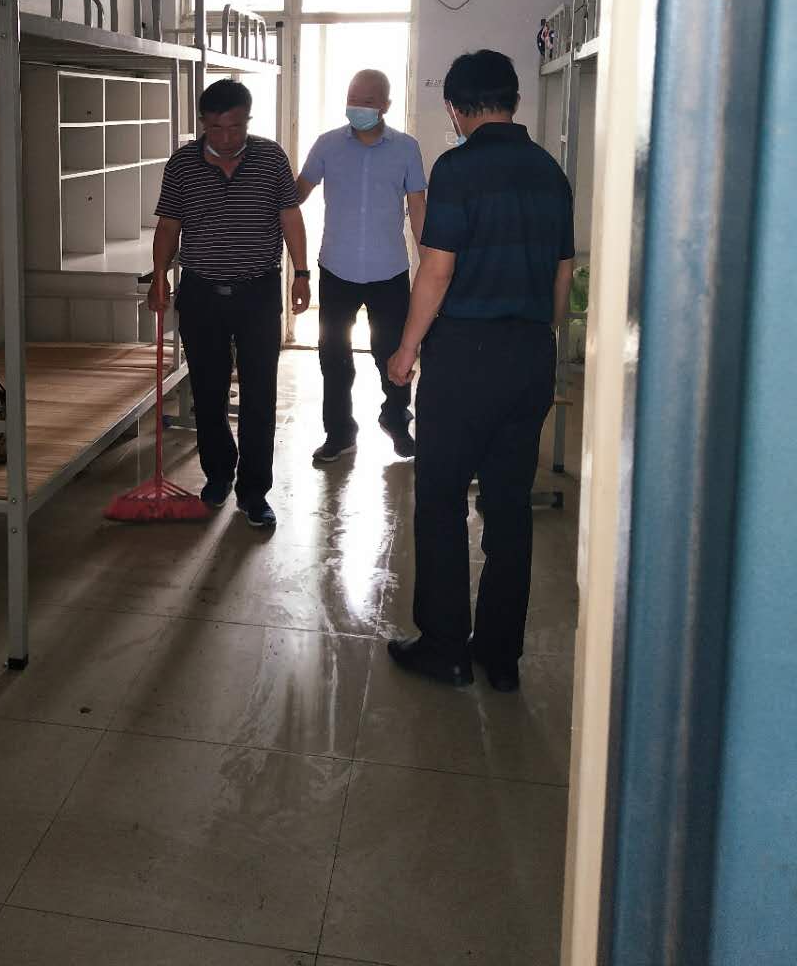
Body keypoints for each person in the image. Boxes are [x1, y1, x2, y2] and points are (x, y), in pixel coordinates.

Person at [385, 50, 574, 691]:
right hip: (530, 354)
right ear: (514, 100)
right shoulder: (550, 171)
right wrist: (538, 337)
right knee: (509, 505)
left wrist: (407, 350)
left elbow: (436, 270)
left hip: (465, 357)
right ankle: (500, 654)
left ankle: (445, 648)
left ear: (455, 107)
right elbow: (563, 274)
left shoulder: (458, 168)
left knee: (441, 499)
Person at [148, 78, 309, 528]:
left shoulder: (271, 157)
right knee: (208, 391)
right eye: (215, 128)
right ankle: (218, 474)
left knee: (259, 394)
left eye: (235, 127)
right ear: (203, 123)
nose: (224, 137)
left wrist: (301, 273)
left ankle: (254, 492)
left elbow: (290, 216)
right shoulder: (182, 164)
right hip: (201, 293)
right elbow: (169, 225)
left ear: (248, 121)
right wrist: (159, 276)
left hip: (258, 292)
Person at [297, 69, 427, 462]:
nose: (358, 107)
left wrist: (430, 264)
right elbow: (297, 192)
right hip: (337, 268)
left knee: (393, 352)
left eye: (368, 101)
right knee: (333, 356)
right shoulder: (327, 145)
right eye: (353, 98)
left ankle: (395, 419)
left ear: (385, 105)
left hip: (389, 270)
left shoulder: (406, 149)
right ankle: (339, 433)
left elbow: (418, 208)